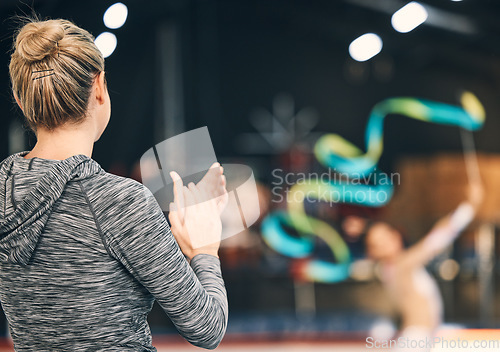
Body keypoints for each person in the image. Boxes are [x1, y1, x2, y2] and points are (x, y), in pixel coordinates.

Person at [0, 17, 228, 351]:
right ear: (99, 88)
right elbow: (207, 328)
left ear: (21, 102)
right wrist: (204, 249)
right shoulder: (121, 201)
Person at [364, 180, 483, 350]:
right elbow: (435, 241)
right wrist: (468, 208)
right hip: (418, 339)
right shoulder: (401, 264)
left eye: (386, 236)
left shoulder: (394, 268)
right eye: (378, 243)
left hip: (424, 337)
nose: (386, 243)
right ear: (372, 252)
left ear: (396, 235)